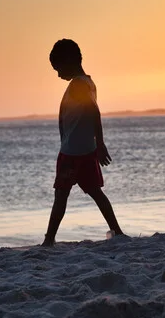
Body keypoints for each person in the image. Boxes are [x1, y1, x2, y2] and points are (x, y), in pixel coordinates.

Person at [42, 38, 125, 246]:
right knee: (96, 193)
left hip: (72, 153)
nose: (58, 74)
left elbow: (93, 111)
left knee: (61, 196)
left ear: (69, 61)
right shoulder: (87, 82)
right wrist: (96, 143)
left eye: (58, 68)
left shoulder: (79, 85)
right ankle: (117, 231)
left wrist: (101, 143)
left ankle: (49, 240)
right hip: (83, 150)